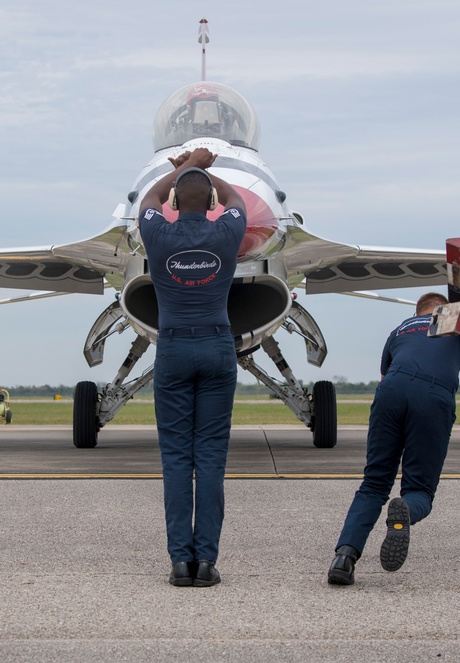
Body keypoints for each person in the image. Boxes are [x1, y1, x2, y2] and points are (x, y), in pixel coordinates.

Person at [138, 147, 247, 587]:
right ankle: (207, 563)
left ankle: (180, 563)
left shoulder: (158, 235)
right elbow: (237, 202)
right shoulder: (226, 231)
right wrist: (207, 172)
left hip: (173, 350)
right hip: (219, 348)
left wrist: (180, 167)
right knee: (212, 459)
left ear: (176, 204)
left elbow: (147, 202)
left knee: (177, 460)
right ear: (212, 203)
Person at [328, 292, 460, 585]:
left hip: (391, 389)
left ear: (418, 311)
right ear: (444, 308)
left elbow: (383, 375)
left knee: (374, 483)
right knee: (420, 490)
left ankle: (344, 558)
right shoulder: (455, 323)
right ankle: (404, 513)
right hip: (433, 395)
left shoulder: (399, 329)